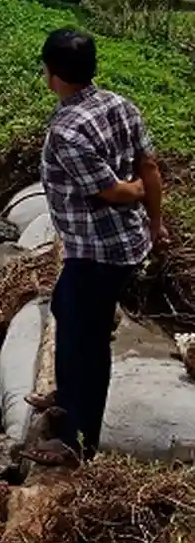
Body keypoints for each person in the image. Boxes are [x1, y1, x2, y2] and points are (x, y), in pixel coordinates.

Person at [22, 28, 165, 467]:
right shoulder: (120, 104)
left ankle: (76, 442)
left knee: (87, 343)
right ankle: (67, 394)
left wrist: (137, 193)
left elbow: (116, 190)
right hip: (118, 242)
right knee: (67, 310)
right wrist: (155, 224)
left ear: (52, 74)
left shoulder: (66, 132)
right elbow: (150, 165)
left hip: (99, 252)